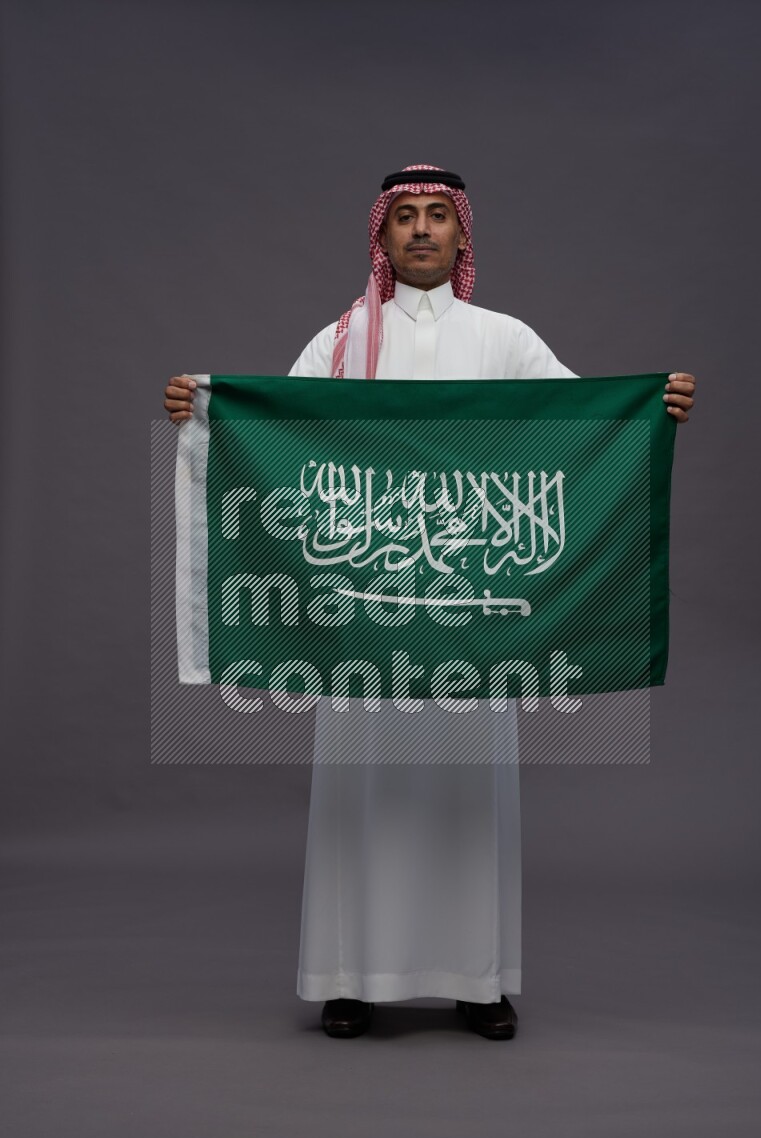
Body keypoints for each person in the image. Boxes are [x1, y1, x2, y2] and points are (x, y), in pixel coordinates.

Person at [164, 164, 696, 1041]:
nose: (420, 231)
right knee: (357, 795)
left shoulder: (505, 338)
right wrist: (204, 413)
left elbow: (582, 427)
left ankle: (478, 982)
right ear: (381, 236)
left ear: (461, 236)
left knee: (465, 800)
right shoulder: (338, 344)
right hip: (362, 616)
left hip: (471, 622)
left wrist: (656, 410)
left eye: (436, 218)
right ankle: (348, 979)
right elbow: (277, 433)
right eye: (404, 217)